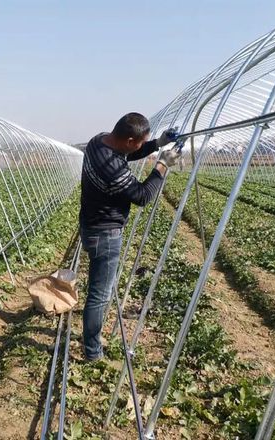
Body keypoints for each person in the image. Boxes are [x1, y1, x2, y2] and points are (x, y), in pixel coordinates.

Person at [79, 112, 181, 361]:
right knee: (98, 295)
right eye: (139, 142)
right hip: (104, 234)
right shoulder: (111, 169)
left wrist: (156, 143)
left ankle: (93, 343)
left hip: (92, 226)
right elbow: (142, 195)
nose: (139, 147)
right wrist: (162, 165)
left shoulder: (99, 141)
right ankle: (93, 353)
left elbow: (128, 152)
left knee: (101, 288)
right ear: (128, 140)